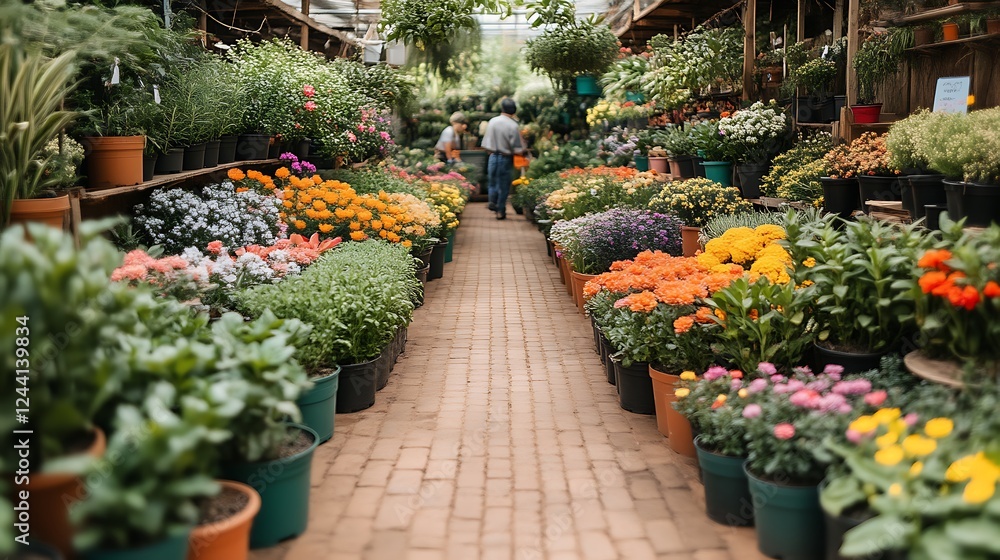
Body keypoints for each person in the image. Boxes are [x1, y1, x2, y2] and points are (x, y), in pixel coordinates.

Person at [481, 98, 524, 220]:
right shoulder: (513, 125)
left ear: (502, 108)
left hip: (493, 156)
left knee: (492, 181)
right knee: (504, 185)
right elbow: (517, 147)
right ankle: (500, 210)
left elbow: (486, 143)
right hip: (506, 158)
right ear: (514, 110)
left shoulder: (493, 121)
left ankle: (492, 201)